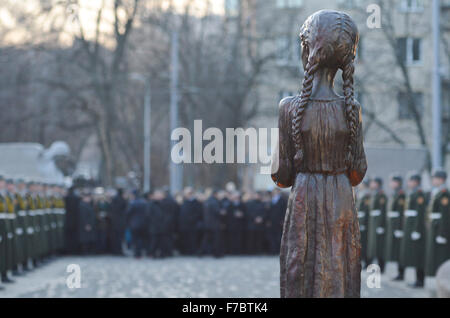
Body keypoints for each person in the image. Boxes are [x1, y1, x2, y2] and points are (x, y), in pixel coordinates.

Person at [271, 10, 367, 298]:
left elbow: (282, 175)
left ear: (306, 50)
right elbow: (358, 171)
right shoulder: (352, 109)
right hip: (340, 198)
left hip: (304, 196)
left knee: (300, 266)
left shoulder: (288, 107)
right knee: (340, 265)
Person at [399, 173, 427, 288]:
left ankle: (420, 280)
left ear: (416, 182)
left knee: (418, 255)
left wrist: (417, 230)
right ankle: (416, 279)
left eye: (410, 181)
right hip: (409, 227)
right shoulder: (412, 193)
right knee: (411, 254)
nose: (408, 183)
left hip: (416, 228)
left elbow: (420, 213)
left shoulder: (419, 194)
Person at [425, 170, 449, 277]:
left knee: (440, 256)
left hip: (439, 228)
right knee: (434, 256)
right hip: (435, 226)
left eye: (435, 178)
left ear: (441, 179)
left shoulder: (444, 194)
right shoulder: (437, 192)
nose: (433, 180)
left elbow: (445, 216)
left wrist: (442, 234)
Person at [385, 175, 406, 281]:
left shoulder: (401, 195)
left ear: (398, 183)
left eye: (393, 182)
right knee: (395, 250)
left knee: (399, 251)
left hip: (398, 226)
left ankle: (401, 273)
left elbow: (401, 213)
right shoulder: (394, 194)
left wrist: (399, 228)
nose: (391, 184)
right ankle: (399, 272)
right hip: (393, 225)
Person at [367, 177, 388, 273]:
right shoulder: (374, 194)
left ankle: (382, 267)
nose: (371, 184)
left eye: (373, 182)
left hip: (378, 222)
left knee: (380, 246)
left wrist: (381, 225)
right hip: (373, 222)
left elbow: (383, 211)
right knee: (373, 246)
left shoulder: (381, 195)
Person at [178, 188, 202, 255]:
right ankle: (185, 251)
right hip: (184, 224)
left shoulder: (196, 202)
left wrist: (191, 219)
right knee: (185, 239)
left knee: (193, 239)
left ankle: (192, 251)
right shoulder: (184, 201)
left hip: (192, 224)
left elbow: (198, 213)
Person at [126, 190, 149, 258]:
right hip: (143, 224)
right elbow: (147, 213)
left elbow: (128, 213)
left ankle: (137, 254)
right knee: (142, 239)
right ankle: (143, 252)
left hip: (134, 224)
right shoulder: (144, 202)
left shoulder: (132, 203)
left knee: (135, 239)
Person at [357, 178, 371, 268]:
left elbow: (366, 210)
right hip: (359, 221)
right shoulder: (360, 194)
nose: (359, 185)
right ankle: (361, 260)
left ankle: (366, 261)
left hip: (365, 223)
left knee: (365, 243)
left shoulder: (367, 195)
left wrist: (363, 224)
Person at [268, 188, 287, 255]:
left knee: (279, 236)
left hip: (279, 221)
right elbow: (269, 211)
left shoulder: (283, 200)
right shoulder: (271, 200)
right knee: (272, 236)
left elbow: (284, 210)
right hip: (272, 221)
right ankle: (273, 250)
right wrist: (268, 220)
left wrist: (283, 220)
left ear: (279, 192)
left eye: (276, 191)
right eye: (274, 191)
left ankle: (279, 251)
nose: (274, 192)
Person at [109, 188, 127, 255]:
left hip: (114, 221)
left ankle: (115, 251)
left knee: (116, 237)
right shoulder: (122, 200)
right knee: (119, 237)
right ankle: (119, 251)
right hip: (120, 222)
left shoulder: (114, 199)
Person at [78, 190, 96, 255]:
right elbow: (83, 216)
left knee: (88, 238)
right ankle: (85, 252)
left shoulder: (87, 204)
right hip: (85, 225)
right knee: (84, 239)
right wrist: (86, 224)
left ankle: (88, 251)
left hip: (89, 224)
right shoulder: (82, 205)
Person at [64, 186, 80, 254]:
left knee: (69, 236)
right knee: (74, 236)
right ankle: (75, 250)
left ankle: (69, 250)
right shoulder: (76, 198)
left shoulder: (66, 198)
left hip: (68, 219)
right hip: (75, 219)